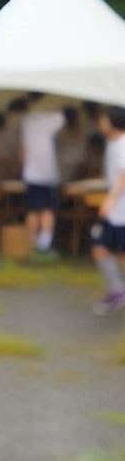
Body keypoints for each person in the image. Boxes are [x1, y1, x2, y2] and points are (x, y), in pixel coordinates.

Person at [20, 93, 65, 260]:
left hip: (31, 172)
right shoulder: (54, 118)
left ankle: (31, 244)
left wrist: (24, 166)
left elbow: (23, 148)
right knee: (48, 210)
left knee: (32, 210)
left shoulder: (27, 120)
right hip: (48, 172)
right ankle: (44, 246)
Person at [90, 105, 125, 315]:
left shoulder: (122, 144)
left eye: (104, 120)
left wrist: (110, 199)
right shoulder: (113, 144)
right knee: (106, 249)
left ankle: (116, 292)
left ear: (114, 122)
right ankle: (116, 291)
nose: (101, 124)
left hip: (120, 212)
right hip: (117, 212)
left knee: (103, 248)